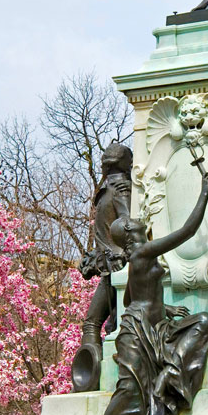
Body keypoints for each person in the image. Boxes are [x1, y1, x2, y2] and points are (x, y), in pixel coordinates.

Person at [88, 173, 208, 415]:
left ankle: (168, 378)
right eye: (132, 223)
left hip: (155, 326)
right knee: (129, 389)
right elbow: (187, 230)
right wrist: (204, 192)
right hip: (137, 332)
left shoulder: (138, 258)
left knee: (203, 321)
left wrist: (165, 307)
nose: (135, 220)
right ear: (131, 234)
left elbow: (132, 296)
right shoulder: (144, 252)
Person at [71, 144, 133, 391]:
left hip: (116, 267)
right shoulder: (111, 189)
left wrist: (115, 256)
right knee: (100, 324)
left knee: (95, 323)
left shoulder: (119, 190)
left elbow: (128, 225)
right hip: (108, 266)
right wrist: (93, 258)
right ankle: (91, 380)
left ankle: (91, 381)